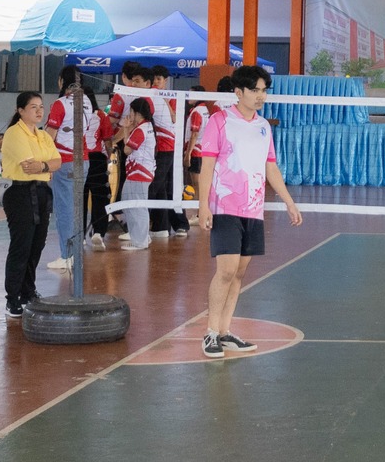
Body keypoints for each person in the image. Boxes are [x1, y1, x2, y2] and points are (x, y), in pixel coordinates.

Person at [196, 66, 303, 360]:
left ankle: (226, 330)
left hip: (253, 209)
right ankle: (211, 333)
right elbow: (207, 166)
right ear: (239, 92)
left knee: (240, 274)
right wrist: (203, 204)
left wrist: (288, 201)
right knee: (226, 271)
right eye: (255, 90)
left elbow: (270, 167)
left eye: (264, 90)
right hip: (225, 207)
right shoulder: (219, 121)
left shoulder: (263, 127)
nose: (261, 96)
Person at [0, 92, 59, 319]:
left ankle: (27, 291)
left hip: (42, 191)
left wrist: (44, 165)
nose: (39, 111)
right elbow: (27, 166)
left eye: (41, 107)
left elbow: (58, 162)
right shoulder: (14, 133)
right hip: (19, 192)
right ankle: (12, 298)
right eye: (33, 107)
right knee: (21, 245)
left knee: (37, 244)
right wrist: (46, 165)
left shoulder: (43, 136)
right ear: (20, 110)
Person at [45, 68, 112, 271]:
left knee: (65, 210)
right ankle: (74, 253)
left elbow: (49, 136)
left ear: (60, 81)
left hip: (65, 161)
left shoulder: (60, 104)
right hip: (84, 161)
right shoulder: (87, 102)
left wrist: (44, 162)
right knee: (75, 208)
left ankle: (67, 256)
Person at [146, 63, 191, 237]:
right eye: (154, 79)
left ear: (166, 81)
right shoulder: (151, 96)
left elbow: (174, 119)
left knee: (170, 186)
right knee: (162, 188)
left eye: (159, 79)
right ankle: (161, 226)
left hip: (172, 148)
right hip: (160, 147)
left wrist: (164, 100)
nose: (156, 83)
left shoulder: (173, 97)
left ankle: (180, 224)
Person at [118, 98, 156, 251]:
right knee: (128, 201)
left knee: (138, 206)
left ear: (136, 112)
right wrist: (127, 129)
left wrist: (127, 129)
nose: (129, 115)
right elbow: (129, 145)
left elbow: (127, 150)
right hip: (138, 172)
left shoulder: (142, 129)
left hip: (139, 172)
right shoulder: (143, 127)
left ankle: (140, 241)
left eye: (130, 112)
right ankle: (140, 237)